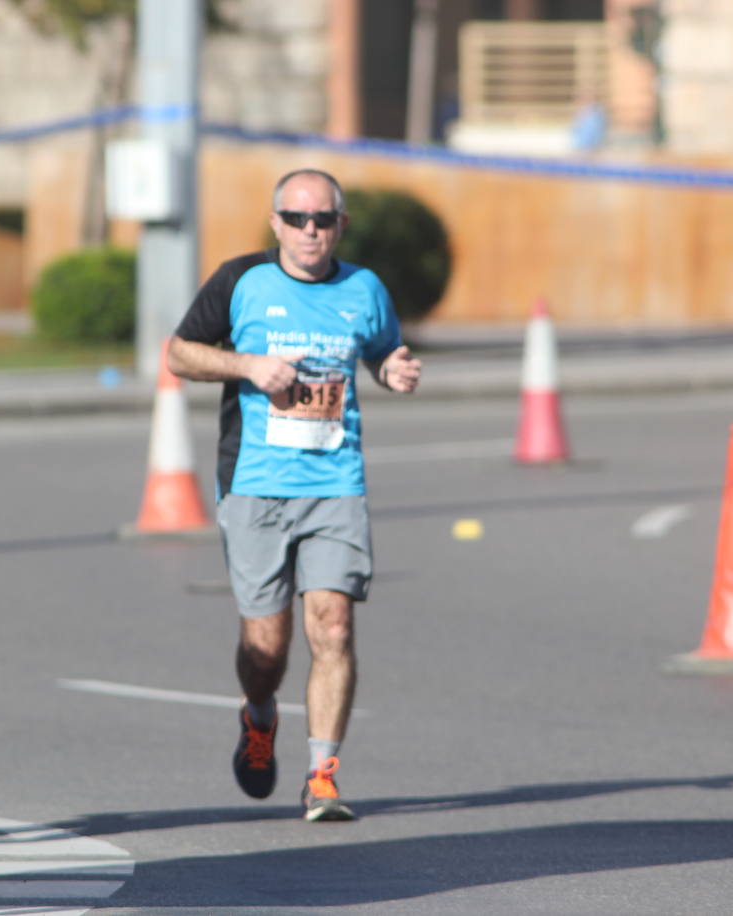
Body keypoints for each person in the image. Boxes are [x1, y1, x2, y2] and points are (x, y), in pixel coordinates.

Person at [167, 168, 421, 822]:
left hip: (335, 482)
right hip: (255, 483)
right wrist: (247, 365)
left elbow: (384, 350)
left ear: (341, 225)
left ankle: (323, 775)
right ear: (276, 222)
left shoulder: (363, 288)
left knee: (333, 624)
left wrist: (394, 370)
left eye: (325, 220)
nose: (312, 231)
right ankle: (259, 717)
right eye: (298, 218)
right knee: (267, 648)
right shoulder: (241, 281)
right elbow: (178, 353)